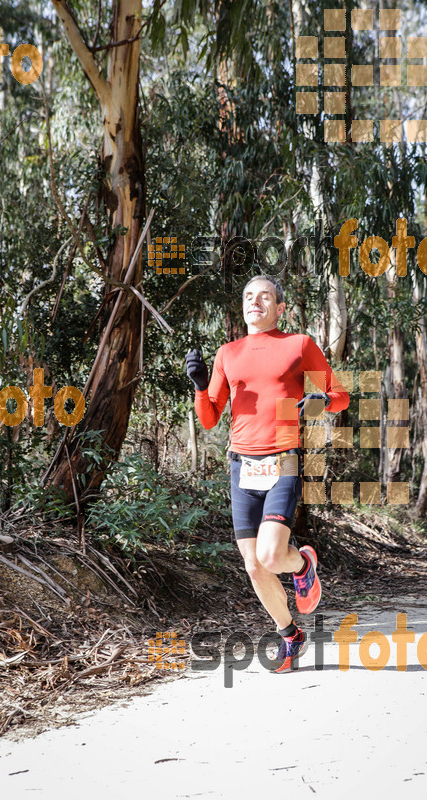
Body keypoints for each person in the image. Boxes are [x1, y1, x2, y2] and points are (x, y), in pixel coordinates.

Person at [185, 275, 349, 673]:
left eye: (265, 296)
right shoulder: (228, 353)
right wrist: (199, 385)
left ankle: (303, 566)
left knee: (273, 555)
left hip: (284, 459)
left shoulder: (299, 345)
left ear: (280, 308)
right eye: (248, 296)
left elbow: (341, 397)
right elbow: (209, 419)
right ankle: (290, 635)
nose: (255, 302)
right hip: (242, 464)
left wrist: (321, 399)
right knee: (254, 565)